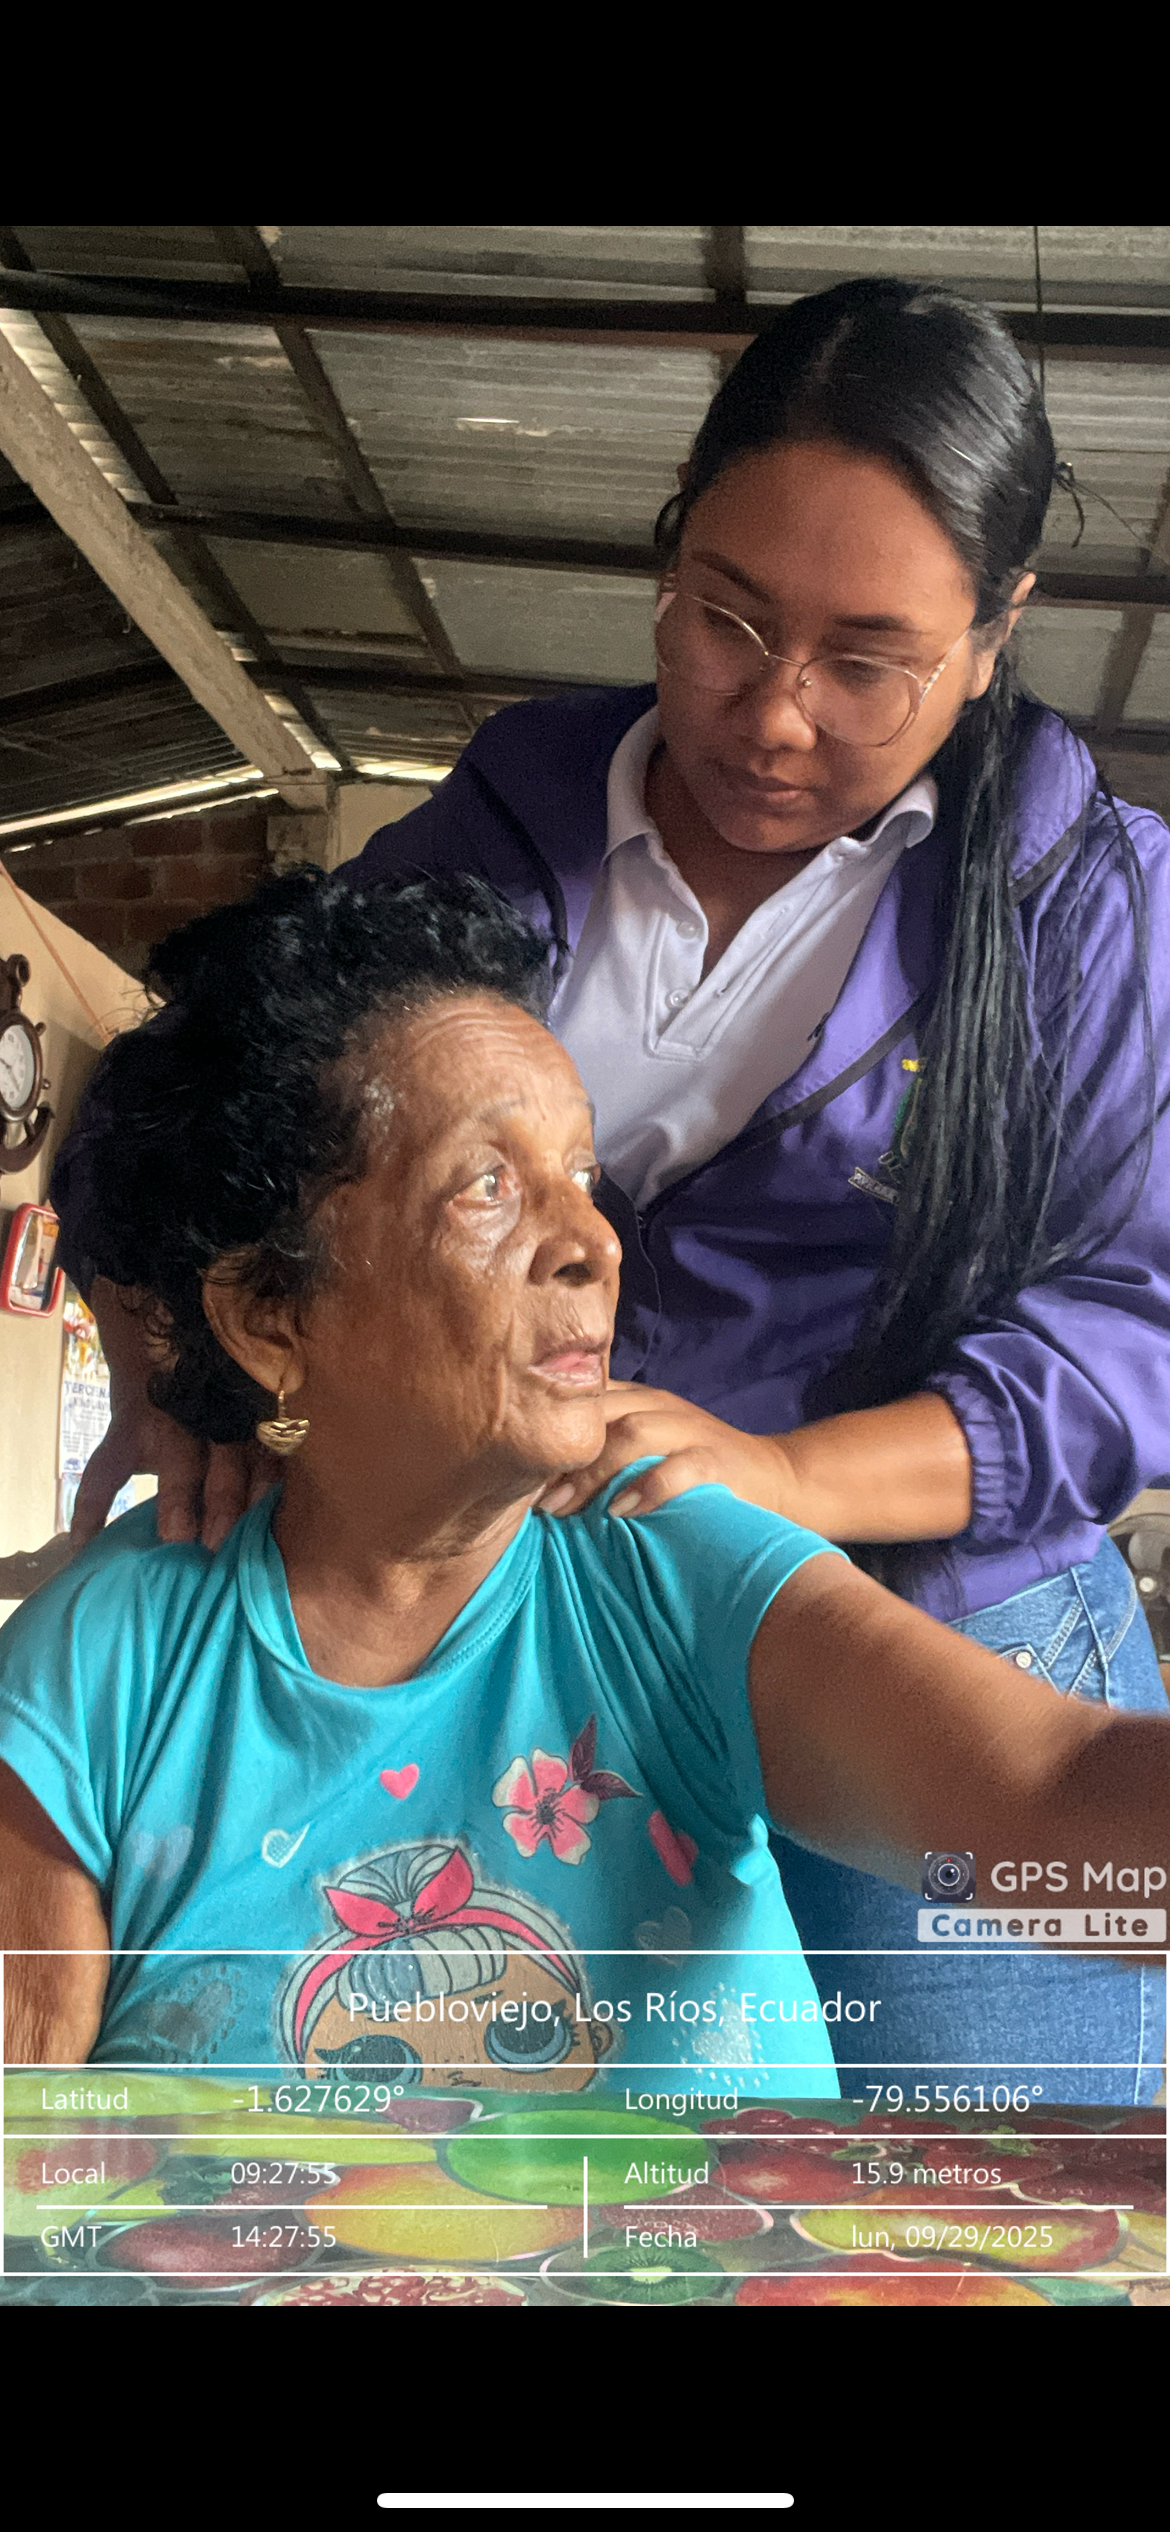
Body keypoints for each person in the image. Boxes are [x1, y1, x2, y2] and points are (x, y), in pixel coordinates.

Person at [51, 280, 1170, 2099]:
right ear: (665, 555)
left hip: (936, 1607)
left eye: (869, 660)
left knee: (981, 2160)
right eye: (726, 617)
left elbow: (1124, 1346)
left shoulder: (1084, 910)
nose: (773, 715)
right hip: (575, 1612)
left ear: (993, 637)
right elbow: (176, 1111)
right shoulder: (512, 820)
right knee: (576, 2112)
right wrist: (188, 1377)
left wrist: (791, 1477)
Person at [3, 870, 1168, 2102]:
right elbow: (26, 2137)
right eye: (488, 1187)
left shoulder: (668, 1570)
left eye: (580, 1173)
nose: (595, 1242)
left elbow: (1049, 1796)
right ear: (272, 1318)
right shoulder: (109, 1662)